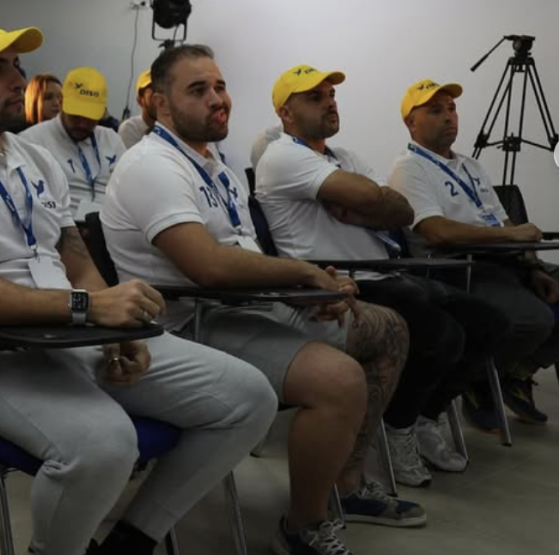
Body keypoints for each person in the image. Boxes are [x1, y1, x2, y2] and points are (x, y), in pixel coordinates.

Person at [0, 15, 277, 555]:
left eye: (16, 65)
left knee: (250, 398)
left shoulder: (34, 158)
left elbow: (74, 259)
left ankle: (132, 540)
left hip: (73, 334)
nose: (18, 80)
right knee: (105, 444)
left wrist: (116, 327)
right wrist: (87, 308)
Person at [101, 44, 424, 555]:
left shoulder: (216, 167)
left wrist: (303, 293)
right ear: (161, 104)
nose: (217, 99)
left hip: (243, 306)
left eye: (220, 86)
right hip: (189, 322)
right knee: (340, 380)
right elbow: (208, 266)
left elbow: (245, 256)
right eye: (198, 90)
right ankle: (303, 525)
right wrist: (302, 273)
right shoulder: (151, 165)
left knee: (387, 328)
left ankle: (346, 484)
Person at [256, 65, 507, 485]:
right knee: (441, 333)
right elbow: (372, 196)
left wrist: (362, 209)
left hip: (385, 273)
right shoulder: (282, 155)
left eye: (331, 96)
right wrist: (370, 205)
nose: (330, 103)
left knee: (489, 323)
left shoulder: (345, 157)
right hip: (335, 281)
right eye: (315, 98)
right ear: (286, 113)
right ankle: (398, 426)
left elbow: (400, 210)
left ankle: (422, 418)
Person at [388, 79, 559, 428]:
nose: (448, 116)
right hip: (460, 267)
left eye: (452, 109)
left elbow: (503, 221)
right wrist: (511, 235)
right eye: (435, 110)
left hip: (506, 261)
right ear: (410, 122)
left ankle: (515, 373)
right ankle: (474, 379)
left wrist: (533, 267)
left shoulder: (470, 166)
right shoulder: (408, 168)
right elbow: (437, 231)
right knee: (534, 318)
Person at [21, 67, 126, 222]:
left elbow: (128, 189)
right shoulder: (31, 141)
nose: (82, 124)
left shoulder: (111, 139)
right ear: (61, 102)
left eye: (90, 117)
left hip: (111, 225)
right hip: (60, 226)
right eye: (76, 115)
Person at [118, 69, 156, 149]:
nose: (158, 99)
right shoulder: (130, 128)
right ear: (139, 100)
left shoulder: (173, 128)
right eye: (152, 93)